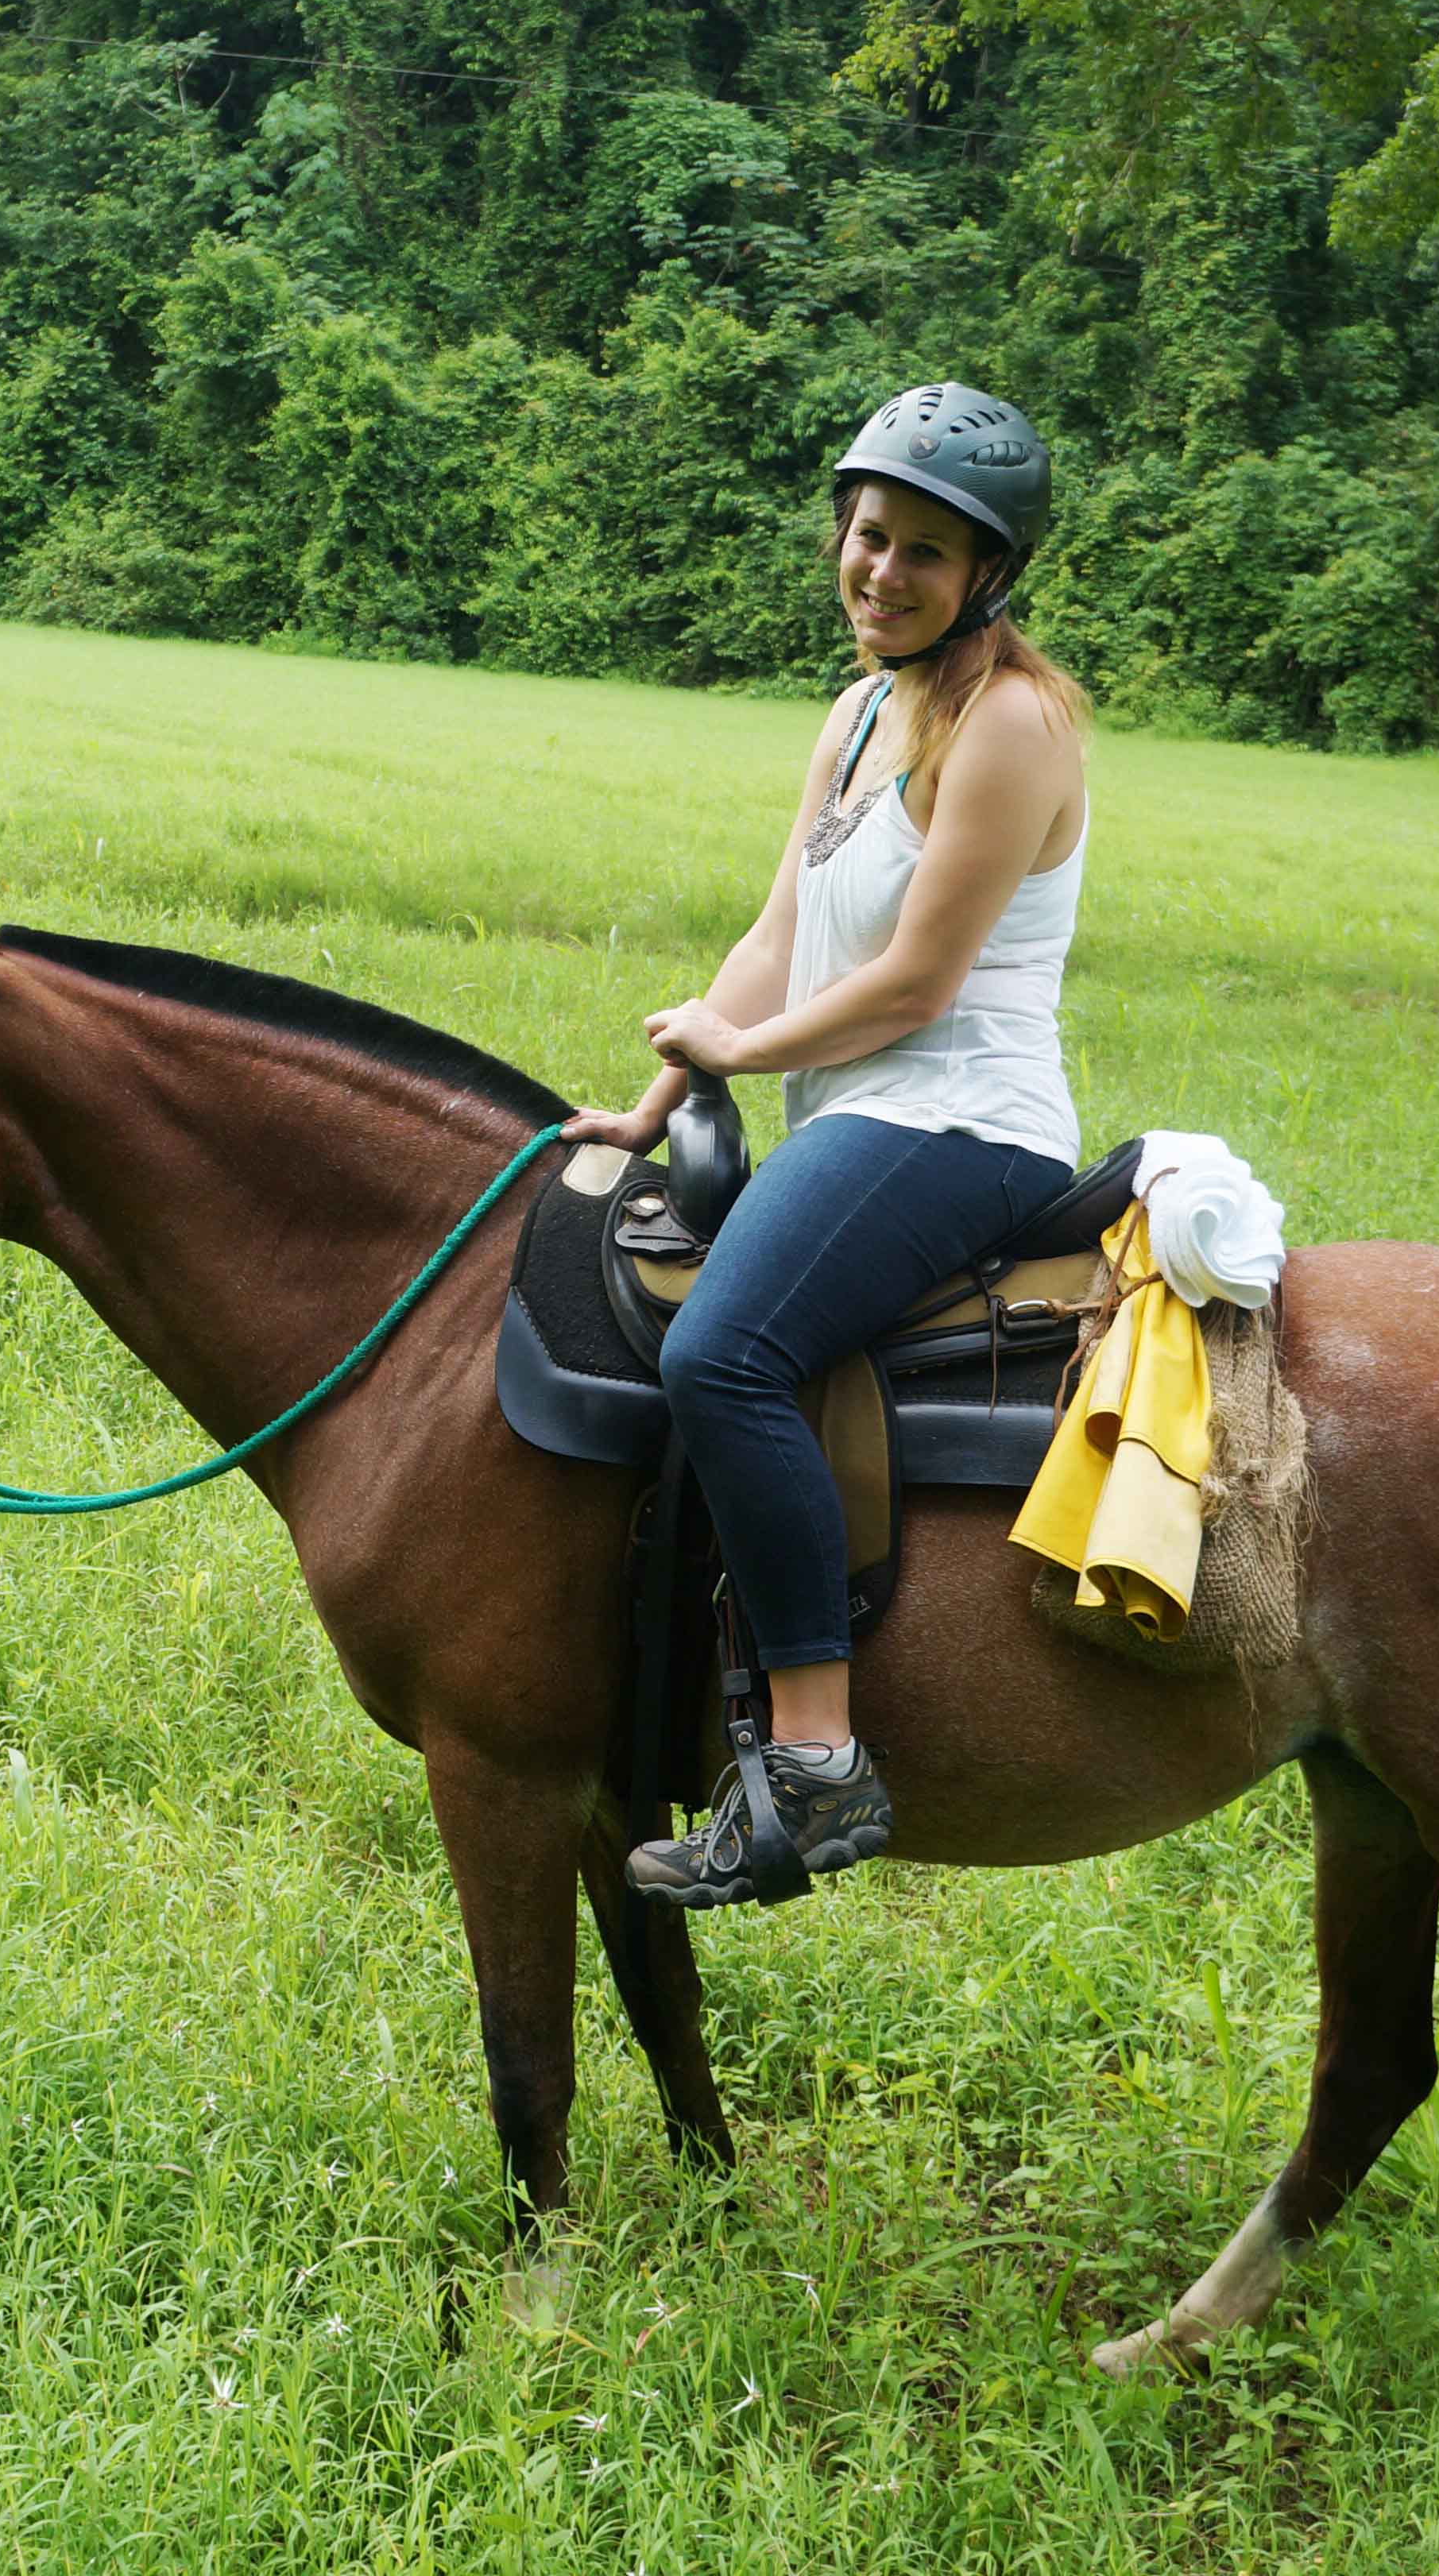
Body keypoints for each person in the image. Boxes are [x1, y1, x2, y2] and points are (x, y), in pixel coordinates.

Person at [562, 382, 1093, 1907]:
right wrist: (663, 1093)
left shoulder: (1010, 725)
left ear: (988, 576)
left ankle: (813, 1767)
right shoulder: (862, 710)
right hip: (861, 1108)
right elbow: (785, 931)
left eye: (928, 552)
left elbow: (918, 983)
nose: (883, 572)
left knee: (721, 1355)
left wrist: (743, 1051)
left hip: (961, 1121)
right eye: (869, 537)